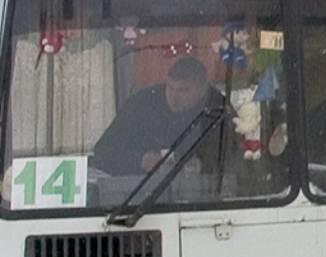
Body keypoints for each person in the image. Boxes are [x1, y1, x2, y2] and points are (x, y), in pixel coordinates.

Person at [93, 56, 227, 175]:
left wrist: (203, 165)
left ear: (202, 89)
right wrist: (140, 160)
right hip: (140, 194)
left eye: (184, 90)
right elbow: (103, 151)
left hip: (203, 195)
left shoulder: (217, 107)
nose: (174, 97)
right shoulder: (143, 104)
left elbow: (234, 157)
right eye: (170, 87)